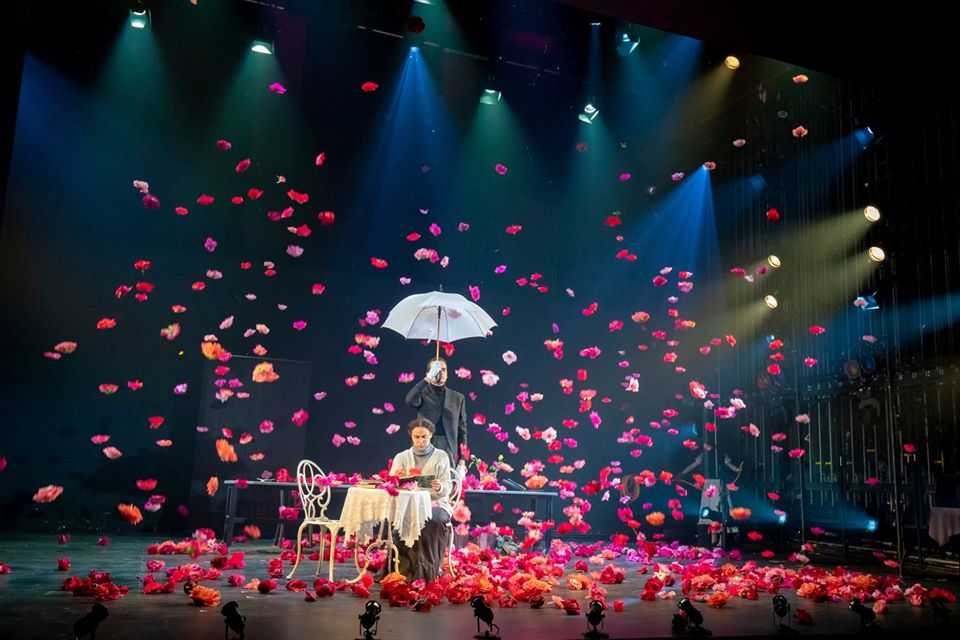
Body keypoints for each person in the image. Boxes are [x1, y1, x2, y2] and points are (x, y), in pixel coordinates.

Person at [385, 417, 453, 582]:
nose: (421, 440)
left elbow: (447, 486)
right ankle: (405, 569)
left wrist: (439, 487)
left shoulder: (441, 456)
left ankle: (427, 569)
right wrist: (398, 480)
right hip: (408, 504)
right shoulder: (401, 457)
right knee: (405, 518)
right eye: (417, 437)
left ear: (431, 436)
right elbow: (392, 484)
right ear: (411, 436)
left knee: (430, 519)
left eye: (424, 436)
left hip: (436, 503)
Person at [405, 357, 468, 473]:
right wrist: (427, 379)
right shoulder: (422, 393)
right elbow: (409, 400)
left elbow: (462, 430)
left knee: (447, 483)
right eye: (437, 369)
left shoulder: (458, 398)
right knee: (424, 482)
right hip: (426, 443)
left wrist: (462, 460)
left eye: (444, 369)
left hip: (449, 445)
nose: (441, 373)